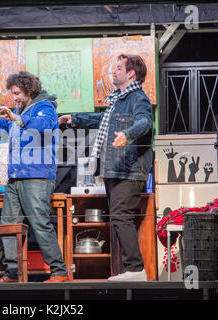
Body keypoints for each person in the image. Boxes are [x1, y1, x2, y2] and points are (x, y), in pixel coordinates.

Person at [59, 54, 153, 281]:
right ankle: (130, 270)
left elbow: (145, 122)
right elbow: (101, 120)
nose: (114, 71)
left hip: (128, 171)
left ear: (131, 73)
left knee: (121, 216)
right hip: (115, 169)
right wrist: (74, 119)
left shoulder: (138, 99)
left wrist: (127, 135)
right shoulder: (118, 101)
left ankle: (136, 270)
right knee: (119, 218)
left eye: (118, 67)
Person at [0, 71, 68, 283]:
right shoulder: (22, 110)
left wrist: (17, 117)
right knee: (8, 223)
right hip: (16, 177)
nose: (15, 97)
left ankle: (59, 271)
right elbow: (11, 125)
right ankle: (13, 272)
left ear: (29, 90)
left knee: (39, 223)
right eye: (12, 93)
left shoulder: (45, 107)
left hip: (37, 176)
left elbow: (40, 126)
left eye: (17, 93)